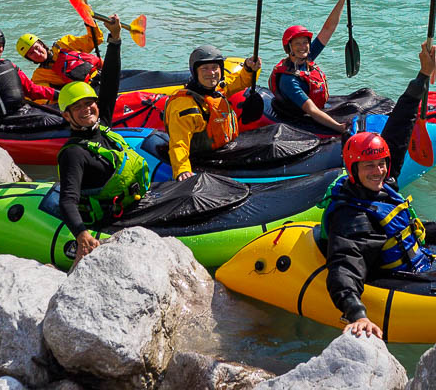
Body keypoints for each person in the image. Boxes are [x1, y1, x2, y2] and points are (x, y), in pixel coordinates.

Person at [319, 42, 436, 339]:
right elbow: (344, 267)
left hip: (421, 256)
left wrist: (423, 76)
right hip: (408, 278)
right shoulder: (352, 216)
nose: (380, 171)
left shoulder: (384, 181)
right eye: (370, 167)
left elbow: (399, 126)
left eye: (382, 164)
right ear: (353, 170)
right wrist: (357, 314)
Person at [55, 16, 147, 262]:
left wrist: (115, 39)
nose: (86, 110)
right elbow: (67, 201)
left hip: (134, 201)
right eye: (78, 108)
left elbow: (110, 81)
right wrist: (81, 233)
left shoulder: (102, 123)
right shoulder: (73, 153)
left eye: (89, 104)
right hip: (113, 217)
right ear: (67, 115)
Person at [163, 46, 261, 180]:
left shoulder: (217, 89)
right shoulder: (184, 106)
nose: (211, 72)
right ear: (195, 72)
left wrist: (249, 68)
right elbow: (178, 143)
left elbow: (241, 81)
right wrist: (182, 170)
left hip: (225, 148)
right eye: (205, 68)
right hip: (203, 157)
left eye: (215, 67)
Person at [268, 0, 353, 133]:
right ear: (289, 48)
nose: (303, 47)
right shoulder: (289, 80)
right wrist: (340, 128)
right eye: (297, 44)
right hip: (300, 116)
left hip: (314, 107)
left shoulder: (307, 57)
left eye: (305, 43)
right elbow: (311, 110)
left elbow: (328, 29)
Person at [15, 22, 103, 90]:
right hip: (89, 91)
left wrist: (89, 22)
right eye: (31, 53)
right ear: (29, 58)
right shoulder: (39, 77)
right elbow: (41, 95)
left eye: (37, 48)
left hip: (104, 73)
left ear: (42, 44)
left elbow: (95, 39)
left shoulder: (64, 44)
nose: (38, 53)